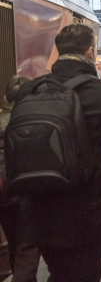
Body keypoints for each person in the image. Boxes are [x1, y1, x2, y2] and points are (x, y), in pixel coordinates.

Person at [13, 24, 101, 282]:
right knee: (84, 274)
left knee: (59, 272)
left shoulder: (30, 90)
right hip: (85, 207)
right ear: (90, 52)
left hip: (37, 203)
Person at [0, 76, 40, 282]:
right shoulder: (31, 120)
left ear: (5, 97)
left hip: (2, 189)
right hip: (24, 188)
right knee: (28, 244)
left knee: (13, 239)